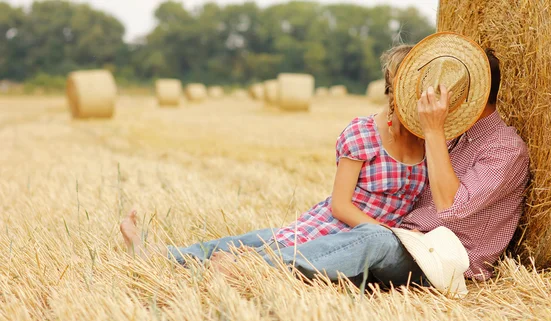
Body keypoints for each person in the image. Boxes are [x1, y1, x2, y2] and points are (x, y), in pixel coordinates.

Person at [121, 44, 427, 268]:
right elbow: (340, 205)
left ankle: (205, 261)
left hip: (371, 243)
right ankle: (157, 254)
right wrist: (384, 231)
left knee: (258, 249)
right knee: (256, 241)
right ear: (396, 87)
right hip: (338, 227)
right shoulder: (363, 133)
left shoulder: (432, 141)